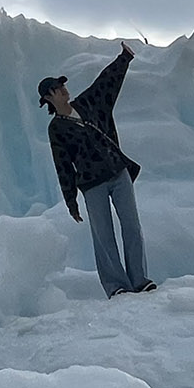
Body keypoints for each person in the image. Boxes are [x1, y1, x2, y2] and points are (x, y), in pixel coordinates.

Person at [38, 42, 155, 298]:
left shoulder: (89, 103)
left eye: (63, 86)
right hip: (93, 184)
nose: (63, 90)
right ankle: (117, 286)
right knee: (104, 236)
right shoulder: (56, 129)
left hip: (118, 172)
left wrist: (124, 58)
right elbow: (63, 166)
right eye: (57, 89)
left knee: (132, 226)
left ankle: (140, 280)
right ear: (48, 97)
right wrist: (71, 201)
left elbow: (107, 82)